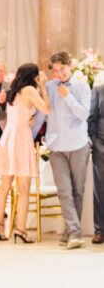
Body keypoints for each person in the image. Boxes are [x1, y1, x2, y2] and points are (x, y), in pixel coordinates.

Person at [32, 52, 92, 249]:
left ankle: (70, 230)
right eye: (55, 71)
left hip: (79, 145)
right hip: (56, 147)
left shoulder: (82, 87)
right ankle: (75, 232)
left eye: (62, 69)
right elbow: (43, 113)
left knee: (78, 191)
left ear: (70, 66)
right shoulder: (48, 87)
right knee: (64, 191)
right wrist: (29, 134)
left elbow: (84, 115)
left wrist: (68, 98)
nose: (59, 74)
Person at [0, 64, 50, 243]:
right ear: (33, 76)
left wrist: (29, 118)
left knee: (5, 186)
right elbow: (47, 110)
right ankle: (20, 229)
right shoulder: (31, 89)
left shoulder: (13, 91)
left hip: (9, 136)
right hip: (21, 139)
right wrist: (43, 88)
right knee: (24, 189)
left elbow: (20, 112)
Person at [88, 69, 104, 245]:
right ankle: (100, 230)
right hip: (101, 148)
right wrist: (95, 143)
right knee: (100, 190)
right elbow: (90, 120)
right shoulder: (98, 91)